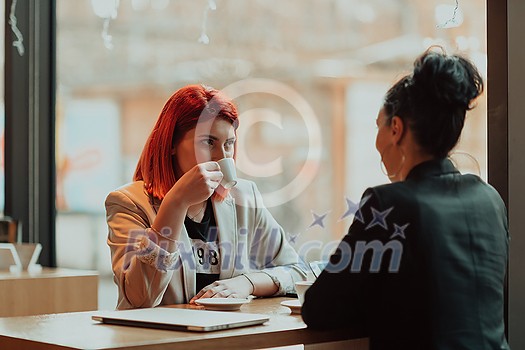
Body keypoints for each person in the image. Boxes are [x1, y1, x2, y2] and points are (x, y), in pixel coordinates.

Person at [301, 49, 509, 350]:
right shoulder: (490, 200)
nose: (377, 141)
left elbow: (319, 309)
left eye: (378, 126)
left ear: (396, 129)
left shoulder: (389, 204)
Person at [105, 84, 306, 309]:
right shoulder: (128, 203)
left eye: (229, 144)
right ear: (171, 144)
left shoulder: (244, 198)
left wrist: (246, 283)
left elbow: (296, 271)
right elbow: (140, 298)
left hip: (222, 337)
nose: (222, 157)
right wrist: (176, 203)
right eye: (208, 142)